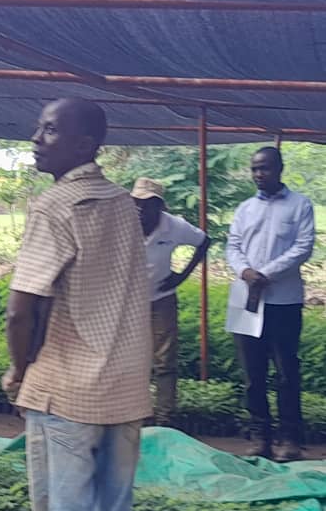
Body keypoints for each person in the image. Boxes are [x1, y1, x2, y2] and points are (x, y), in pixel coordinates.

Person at [4, 99, 154, 511]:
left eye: (50, 130)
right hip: (122, 388)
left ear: (85, 144)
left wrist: (19, 370)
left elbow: (22, 308)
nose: (36, 137)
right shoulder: (124, 205)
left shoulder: (55, 206)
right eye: (39, 126)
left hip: (66, 390)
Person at [226, 146, 314, 462]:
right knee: (253, 372)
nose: (258, 175)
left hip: (283, 301)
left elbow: (303, 247)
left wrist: (266, 273)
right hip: (246, 299)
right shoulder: (244, 208)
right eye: (254, 169)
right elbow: (232, 246)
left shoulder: (300, 205)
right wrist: (246, 272)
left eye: (264, 168)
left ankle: (290, 439)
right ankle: (259, 436)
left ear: (279, 169)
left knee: (286, 371)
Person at [131, 177, 209, 425]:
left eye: (148, 204)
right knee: (134, 359)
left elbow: (204, 241)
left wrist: (181, 277)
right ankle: (137, 414)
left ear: (160, 206)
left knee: (164, 360)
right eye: (137, 203)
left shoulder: (174, 226)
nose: (141, 209)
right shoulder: (122, 223)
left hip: (162, 299)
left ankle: (165, 418)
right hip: (128, 302)